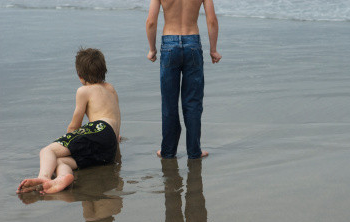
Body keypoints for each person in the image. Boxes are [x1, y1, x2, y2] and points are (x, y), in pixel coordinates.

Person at [17, 48, 121, 195]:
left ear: (80, 75)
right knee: (61, 161)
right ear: (104, 70)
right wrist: (117, 157)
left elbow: (75, 125)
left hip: (100, 128)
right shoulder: (111, 89)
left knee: (48, 151)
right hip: (109, 147)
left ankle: (43, 177)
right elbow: (117, 124)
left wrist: (68, 142)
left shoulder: (83, 91)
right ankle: (62, 178)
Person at [146, 0, 222, 159]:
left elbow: (151, 22)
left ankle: (168, 151)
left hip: (169, 44)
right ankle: (194, 151)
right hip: (192, 43)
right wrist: (213, 49)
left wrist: (152, 49)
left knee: (169, 103)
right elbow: (212, 20)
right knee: (193, 102)